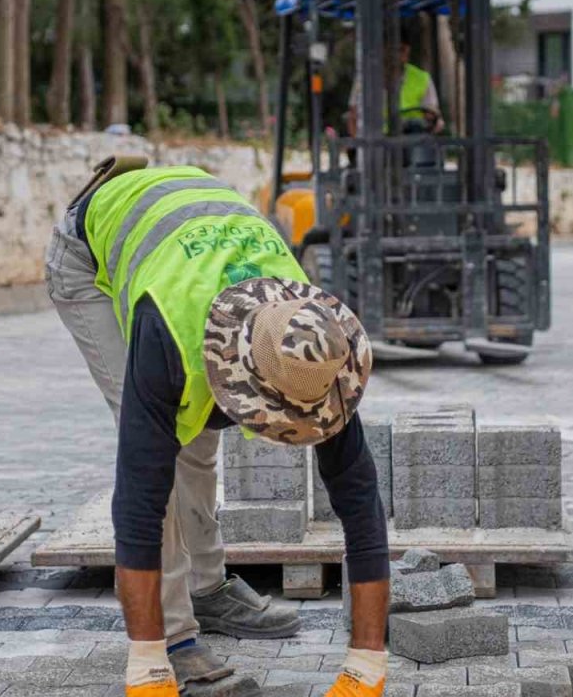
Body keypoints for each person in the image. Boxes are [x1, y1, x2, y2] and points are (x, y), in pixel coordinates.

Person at [45, 157, 392, 697]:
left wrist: (367, 666)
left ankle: (207, 589)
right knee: (160, 445)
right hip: (87, 256)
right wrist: (146, 665)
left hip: (189, 235)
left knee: (197, 441)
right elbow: (138, 500)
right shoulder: (169, 340)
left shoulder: (311, 345)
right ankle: (175, 641)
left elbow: (359, 498)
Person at [346, 37, 444, 136]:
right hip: (376, 139)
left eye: (403, 50)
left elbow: (432, 114)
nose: (400, 55)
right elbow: (353, 115)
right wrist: (359, 147)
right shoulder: (365, 78)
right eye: (397, 49)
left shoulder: (422, 78)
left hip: (410, 138)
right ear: (383, 50)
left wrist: (432, 120)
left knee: (417, 129)